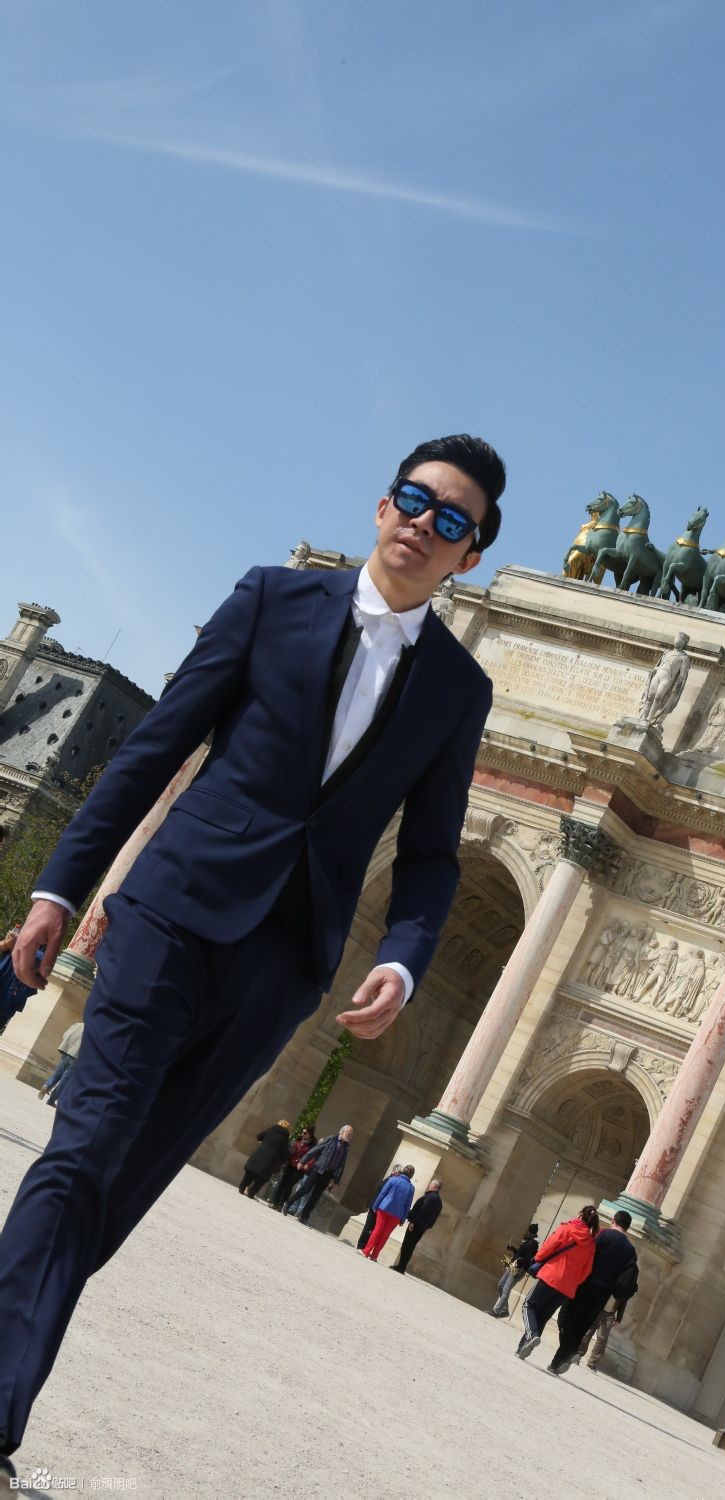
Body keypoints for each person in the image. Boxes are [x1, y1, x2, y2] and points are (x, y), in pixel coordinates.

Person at [0, 433, 505, 1471]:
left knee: (120, 1191)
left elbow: (430, 853)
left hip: (284, 962)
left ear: (470, 555)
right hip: (171, 914)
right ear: (382, 507)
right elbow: (157, 747)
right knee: (84, 1154)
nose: (423, 521)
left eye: (451, 518)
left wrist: (405, 956)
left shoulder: (459, 688)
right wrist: (59, 887)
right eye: (412, 499)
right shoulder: (273, 596)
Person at [548, 1209, 638, 1374]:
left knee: (564, 1318)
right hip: (603, 1296)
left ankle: (569, 1352)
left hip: (585, 1285)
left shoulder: (603, 1234)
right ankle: (557, 1363)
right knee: (581, 1327)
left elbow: (587, 1254)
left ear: (613, 1220)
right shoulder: (630, 1250)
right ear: (628, 1227)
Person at [515, 1205, 599, 1362]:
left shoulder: (567, 1228)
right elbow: (586, 1270)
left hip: (551, 1276)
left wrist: (537, 1259)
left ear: (580, 1215)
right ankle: (523, 1349)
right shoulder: (591, 1243)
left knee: (528, 1305)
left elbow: (548, 1246)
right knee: (543, 1316)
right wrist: (573, 1281)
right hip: (567, 1287)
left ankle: (531, 1336)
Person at [284, 1124, 353, 1225]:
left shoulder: (346, 1147)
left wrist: (336, 1180)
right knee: (305, 1189)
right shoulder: (330, 1139)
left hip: (328, 1174)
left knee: (316, 1196)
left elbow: (342, 1165)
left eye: (351, 1134)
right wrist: (303, 1161)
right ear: (342, 1132)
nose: (350, 1136)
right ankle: (288, 1203)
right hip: (318, 1169)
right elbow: (314, 1150)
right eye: (349, 1133)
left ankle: (304, 1216)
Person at [362, 1165, 416, 1262]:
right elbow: (408, 1205)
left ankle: (366, 1251)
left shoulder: (393, 1179)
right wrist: (403, 1219)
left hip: (384, 1208)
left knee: (377, 1230)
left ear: (403, 1171)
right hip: (397, 1214)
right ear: (411, 1175)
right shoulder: (411, 1188)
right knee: (385, 1235)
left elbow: (383, 1193)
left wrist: (375, 1206)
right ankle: (374, 1256)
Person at [392, 1178, 442, 1273]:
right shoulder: (439, 1202)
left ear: (434, 1186)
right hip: (422, 1227)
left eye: (431, 1183)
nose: (429, 1184)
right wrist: (427, 1226)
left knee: (407, 1245)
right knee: (411, 1246)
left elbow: (422, 1210)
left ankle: (401, 1267)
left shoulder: (430, 1197)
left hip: (416, 1225)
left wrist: (413, 1222)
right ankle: (402, 1266)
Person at [490, 1223, 539, 1317]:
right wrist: (512, 1249)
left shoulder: (533, 1243)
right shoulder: (527, 1240)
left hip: (519, 1269)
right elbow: (520, 1254)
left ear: (529, 1231)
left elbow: (528, 1258)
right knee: (501, 1286)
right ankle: (505, 1309)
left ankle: (496, 1311)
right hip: (513, 1266)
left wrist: (519, 1260)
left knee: (506, 1288)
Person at [238, 1119, 292, 1199]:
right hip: (270, 1160)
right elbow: (284, 1154)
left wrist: (264, 1141)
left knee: (249, 1174)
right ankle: (251, 1192)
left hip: (259, 1155)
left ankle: (242, 1188)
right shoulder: (285, 1138)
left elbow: (259, 1136)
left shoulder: (270, 1130)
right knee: (261, 1178)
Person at [268, 1125, 317, 1212]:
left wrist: (307, 1165)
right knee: (282, 1183)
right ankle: (275, 1203)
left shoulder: (313, 1145)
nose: (303, 1134)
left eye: (305, 1133)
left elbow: (313, 1157)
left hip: (299, 1168)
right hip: (290, 1165)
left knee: (289, 1185)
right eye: (302, 1132)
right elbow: (292, 1149)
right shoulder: (298, 1139)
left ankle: (280, 1205)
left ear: (310, 1134)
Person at [36, 1022, 84, 1107]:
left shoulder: (78, 1025)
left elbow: (65, 1035)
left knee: (57, 1074)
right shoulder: (93, 1032)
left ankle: (46, 1085)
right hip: (77, 1056)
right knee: (64, 1081)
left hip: (66, 1052)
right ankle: (51, 1100)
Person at [357, 1165, 402, 1251]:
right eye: (399, 1173)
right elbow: (379, 1193)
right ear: (394, 1171)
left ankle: (364, 1246)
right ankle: (361, 1246)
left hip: (379, 1207)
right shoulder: (389, 1180)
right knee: (368, 1227)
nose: (400, 1175)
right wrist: (372, 1205)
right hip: (376, 1206)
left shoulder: (392, 1180)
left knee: (373, 1228)